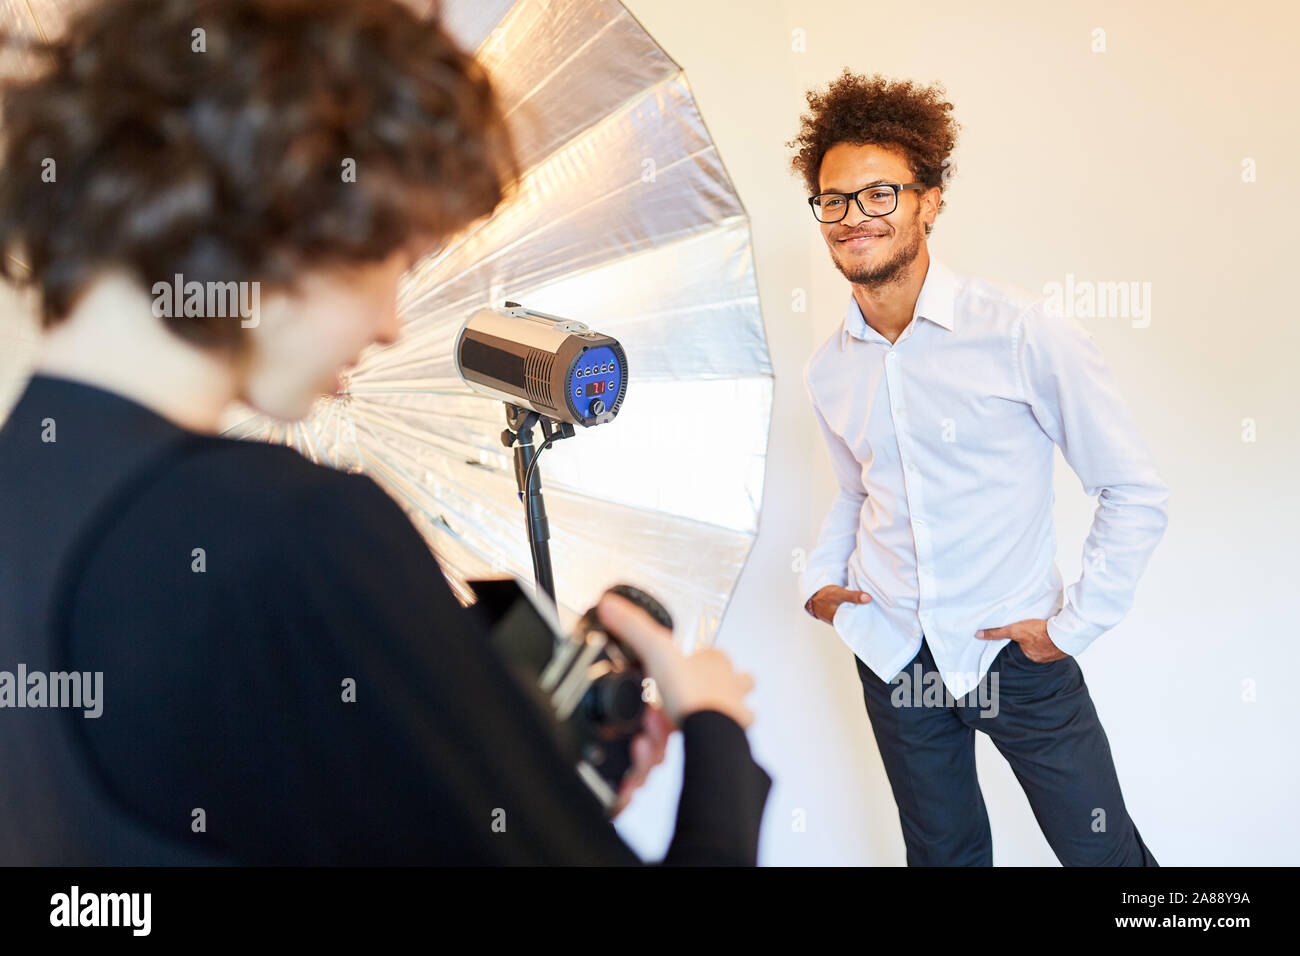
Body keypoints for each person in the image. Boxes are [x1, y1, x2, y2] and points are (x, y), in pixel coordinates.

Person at [0, 0, 769, 865]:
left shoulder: (27, 495)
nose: (392, 324)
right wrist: (716, 736)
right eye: (397, 260)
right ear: (289, 205)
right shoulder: (293, 533)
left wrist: (516, 790)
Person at [789, 71, 1168, 866]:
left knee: (1105, 858)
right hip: (895, 657)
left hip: (1016, 655)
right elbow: (858, 492)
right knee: (945, 860)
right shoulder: (830, 370)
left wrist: (1073, 627)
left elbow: (1131, 490)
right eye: (835, 200)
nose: (855, 217)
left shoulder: (1024, 331)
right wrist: (822, 583)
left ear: (929, 201)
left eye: (881, 194)